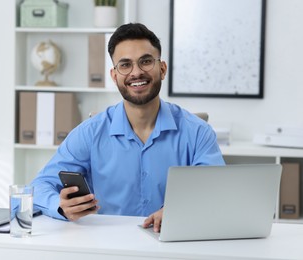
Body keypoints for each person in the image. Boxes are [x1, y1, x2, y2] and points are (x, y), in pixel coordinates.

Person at [31, 23, 225, 232]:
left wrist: (181, 209)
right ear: (115, 76)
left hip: (172, 244)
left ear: (162, 69)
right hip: (108, 245)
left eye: (146, 61)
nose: (136, 72)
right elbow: (39, 186)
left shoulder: (197, 132)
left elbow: (216, 191)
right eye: (125, 65)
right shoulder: (89, 133)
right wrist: (60, 206)